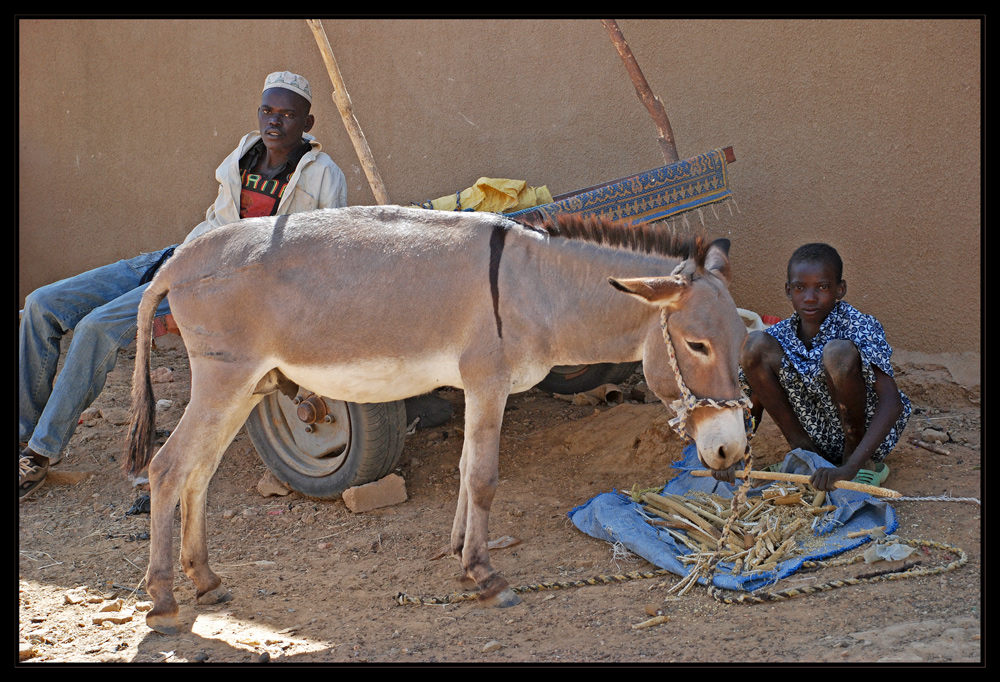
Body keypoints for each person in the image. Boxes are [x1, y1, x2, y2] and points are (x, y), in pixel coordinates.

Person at [19, 71, 348, 501]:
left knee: (97, 327)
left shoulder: (323, 175)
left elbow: (328, 254)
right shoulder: (244, 155)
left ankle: (40, 454)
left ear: (307, 123)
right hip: (184, 254)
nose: (274, 122)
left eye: (288, 114)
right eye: (268, 110)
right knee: (41, 303)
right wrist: (183, 257)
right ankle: (23, 433)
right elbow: (217, 222)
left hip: (217, 283)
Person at [739, 243, 911, 491]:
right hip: (815, 438)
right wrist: (737, 452)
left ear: (840, 289)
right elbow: (755, 396)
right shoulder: (780, 335)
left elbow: (892, 402)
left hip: (864, 441)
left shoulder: (858, 325)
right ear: (788, 291)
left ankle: (857, 461)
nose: (809, 298)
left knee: (837, 353)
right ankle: (805, 454)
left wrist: (850, 468)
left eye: (822, 287)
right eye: (800, 288)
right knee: (754, 344)